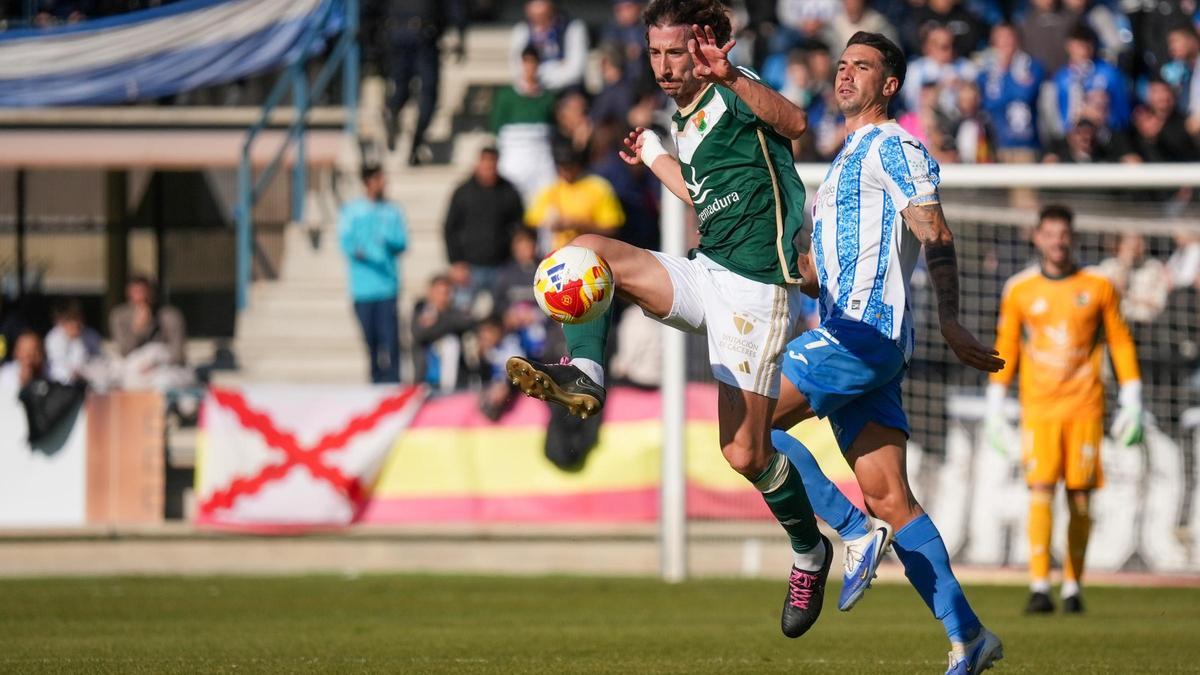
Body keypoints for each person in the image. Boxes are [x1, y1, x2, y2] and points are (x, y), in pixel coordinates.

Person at [508, 0, 831, 639]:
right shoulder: (684, 116)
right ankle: (588, 374)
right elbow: (701, 196)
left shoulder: (737, 90)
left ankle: (809, 551)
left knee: (743, 453)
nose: (662, 66)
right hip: (705, 270)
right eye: (654, 53)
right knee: (585, 251)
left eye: (674, 53)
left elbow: (796, 124)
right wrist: (657, 155)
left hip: (758, 290)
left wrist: (731, 74)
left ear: (704, 47)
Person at [764, 32, 1005, 673]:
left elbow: (935, 229)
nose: (845, 76)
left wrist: (951, 318)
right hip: (851, 334)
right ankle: (969, 637)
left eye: (862, 67)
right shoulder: (846, 157)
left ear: (890, 84)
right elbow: (831, 272)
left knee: (748, 426)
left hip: (864, 335)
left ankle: (845, 530)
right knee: (893, 500)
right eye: (841, 66)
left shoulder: (895, 146)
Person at [983, 204, 1143, 615]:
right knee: (1039, 491)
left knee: (1080, 498)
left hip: (1085, 407)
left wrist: (1132, 396)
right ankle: (1039, 585)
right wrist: (996, 405)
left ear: (1071, 236)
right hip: (1038, 409)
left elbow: (1120, 341)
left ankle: (1072, 585)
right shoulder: (1020, 289)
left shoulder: (1099, 285)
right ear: (1038, 237)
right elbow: (1008, 345)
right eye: (1050, 233)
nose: (1057, 241)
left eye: (1063, 233)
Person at [339, 165, 408, 384]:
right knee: (371, 340)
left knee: (391, 339)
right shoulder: (352, 210)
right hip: (363, 288)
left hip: (387, 286)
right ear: (368, 182)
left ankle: (395, 381)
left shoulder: (392, 210)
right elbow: (346, 242)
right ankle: (376, 381)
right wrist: (364, 252)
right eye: (378, 180)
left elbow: (402, 242)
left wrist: (388, 242)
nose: (382, 184)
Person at [382, 0, 468, 165]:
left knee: (405, 90)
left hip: (401, 34)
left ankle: (395, 113)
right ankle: (415, 141)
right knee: (427, 93)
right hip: (420, 37)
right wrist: (459, 32)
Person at [443, 147, 525, 295]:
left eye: (491, 165)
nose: (488, 170)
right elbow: (450, 228)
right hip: (470, 268)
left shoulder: (509, 191)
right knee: (463, 314)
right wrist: (456, 262)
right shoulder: (463, 192)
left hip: (502, 266)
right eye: (485, 165)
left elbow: (519, 226)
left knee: (502, 314)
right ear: (478, 164)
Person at [524, 143, 625, 254]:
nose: (565, 172)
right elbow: (531, 224)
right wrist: (548, 223)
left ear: (578, 164)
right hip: (556, 255)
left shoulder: (598, 186)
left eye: (569, 166)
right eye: (561, 167)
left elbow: (613, 228)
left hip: (593, 254)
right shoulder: (550, 189)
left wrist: (577, 224)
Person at [491, 46, 559, 205]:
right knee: (510, 202)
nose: (530, 67)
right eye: (526, 62)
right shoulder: (506, 96)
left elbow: (552, 126)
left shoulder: (548, 97)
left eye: (533, 62)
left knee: (546, 202)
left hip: (541, 157)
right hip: (514, 156)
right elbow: (496, 126)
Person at [108, 274, 191, 391]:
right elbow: (124, 351)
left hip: (164, 367)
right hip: (133, 367)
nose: (140, 297)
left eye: (143, 292)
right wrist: (138, 330)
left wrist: (155, 364)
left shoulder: (169, 315)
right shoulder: (119, 316)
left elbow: (178, 353)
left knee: (164, 381)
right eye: (135, 292)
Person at [508, 0, 589, 92]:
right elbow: (518, 68)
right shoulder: (522, 30)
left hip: (565, 90)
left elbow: (575, 71)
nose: (537, 7)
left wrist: (538, 76)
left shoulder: (573, 27)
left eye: (541, 2)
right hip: (531, 90)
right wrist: (556, 66)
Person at [44, 299, 102, 385]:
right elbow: (56, 368)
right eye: (71, 321)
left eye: (78, 319)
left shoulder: (91, 335)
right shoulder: (53, 338)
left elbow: (100, 360)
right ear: (61, 322)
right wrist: (72, 374)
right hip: (61, 385)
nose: (76, 325)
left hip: (88, 383)